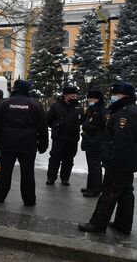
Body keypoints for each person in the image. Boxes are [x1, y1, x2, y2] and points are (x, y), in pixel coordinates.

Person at [79, 82, 137, 234]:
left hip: (118, 161)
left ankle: (97, 224)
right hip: (127, 161)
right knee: (125, 192)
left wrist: (113, 161)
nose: (112, 97)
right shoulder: (129, 109)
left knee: (109, 192)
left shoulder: (124, 113)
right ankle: (122, 224)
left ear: (123, 96)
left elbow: (122, 141)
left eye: (115, 94)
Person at [0, 80, 48, 206]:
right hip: (28, 144)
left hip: (8, 144)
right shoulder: (35, 105)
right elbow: (43, 127)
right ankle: (29, 200)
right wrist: (43, 144)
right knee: (28, 173)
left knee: (5, 172)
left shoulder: (5, 103)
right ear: (28, 89)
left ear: (15, 88)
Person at [46, 85, 84, 186]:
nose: (74, 98)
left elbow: (82, 120)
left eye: (75, 96)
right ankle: (51, 177)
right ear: (65, 96)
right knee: (55, 158)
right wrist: (56, 125)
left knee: (69, 160)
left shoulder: (78, 106)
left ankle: (65, 178)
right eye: (72, 96)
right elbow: (48, 120)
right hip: (59, 138)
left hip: (72, 138)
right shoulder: (56, 106)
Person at [80, 89, 108, 197]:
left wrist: (90, 127)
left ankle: (95, 189)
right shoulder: (92, 110)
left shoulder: (102, 111)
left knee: (95, 167)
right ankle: (90, 186)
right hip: (90, 141)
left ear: (97, 99)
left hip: (96, 142)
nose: (89, 100)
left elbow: (104, 127)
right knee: (91, 166)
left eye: (91, 98)